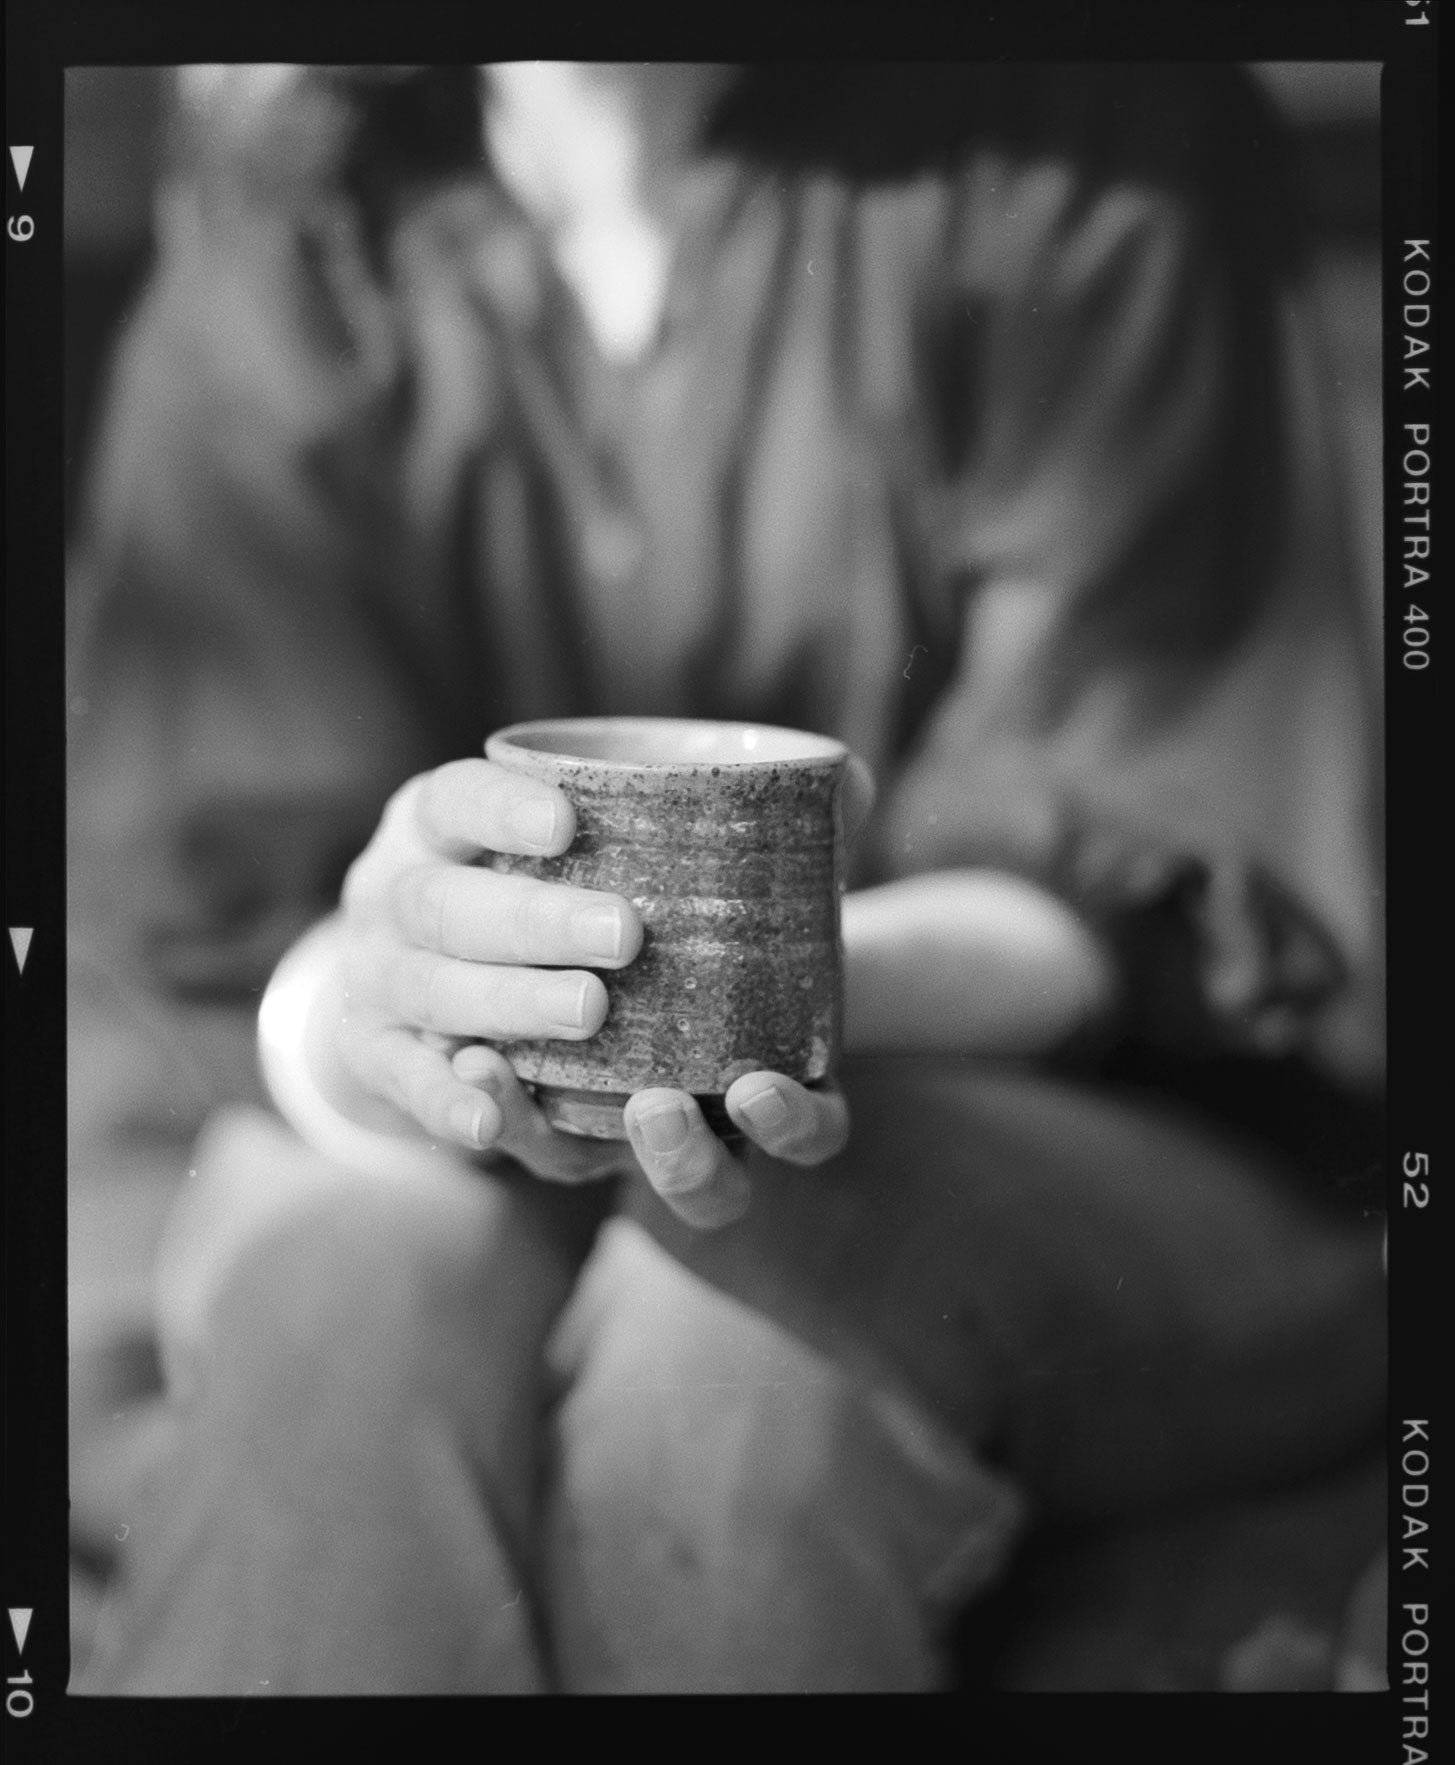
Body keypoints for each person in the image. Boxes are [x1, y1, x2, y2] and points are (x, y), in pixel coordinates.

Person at [67, 63, 1385, 1693]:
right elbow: (228, 930)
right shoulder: (295, 228)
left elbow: (1150, 846)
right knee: (344, 1313)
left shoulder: (1089, 135)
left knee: (750, 1328)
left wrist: (749, 995)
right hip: (422, 1150)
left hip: (1140, 1137)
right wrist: (399, 1016)